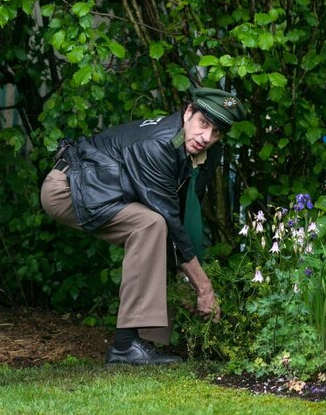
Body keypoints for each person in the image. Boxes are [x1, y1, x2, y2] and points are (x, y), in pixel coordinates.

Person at [40, 87, 246, 365]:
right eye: (203, 123)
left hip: (104, 191)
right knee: (151, 225)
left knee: (157, 228)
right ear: (188, 113)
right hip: (68, 190)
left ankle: (144, 342)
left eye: (216, 132)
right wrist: (203, 287)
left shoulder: (198, 148)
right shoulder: (159, 145)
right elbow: (170, 221)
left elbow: (182, 215)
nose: (206, 137)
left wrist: (185, 278)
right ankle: (125, 346)